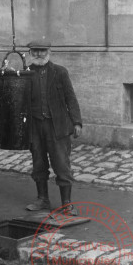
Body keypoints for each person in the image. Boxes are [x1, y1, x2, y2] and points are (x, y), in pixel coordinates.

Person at [24, 39, 82, 216]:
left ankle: (66, 203)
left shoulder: (60, 72)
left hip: (57, 127)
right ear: (30, 53)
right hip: (35, 126)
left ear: (49, 51)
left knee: (62, 164)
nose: (39, 54)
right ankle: (42, 199)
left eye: (42, 50)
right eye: (35, 51)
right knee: (39, 164)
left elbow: (70, 98)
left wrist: (77, 122)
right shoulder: (26, 74)